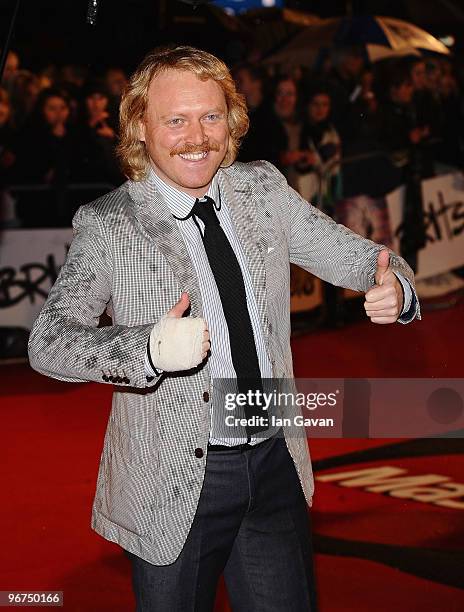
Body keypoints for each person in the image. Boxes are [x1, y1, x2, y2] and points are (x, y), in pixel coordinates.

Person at [28, 45, 420, 611]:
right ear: (140, 127)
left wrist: (397, 289)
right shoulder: (110, 223)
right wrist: (148, 347)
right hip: (173, 480)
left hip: (274, 456)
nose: (198, 136)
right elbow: (49, 340)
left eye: (211, 116)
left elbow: (360, 257)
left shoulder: (261, 189)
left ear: (232, 120)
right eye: (176, 120)